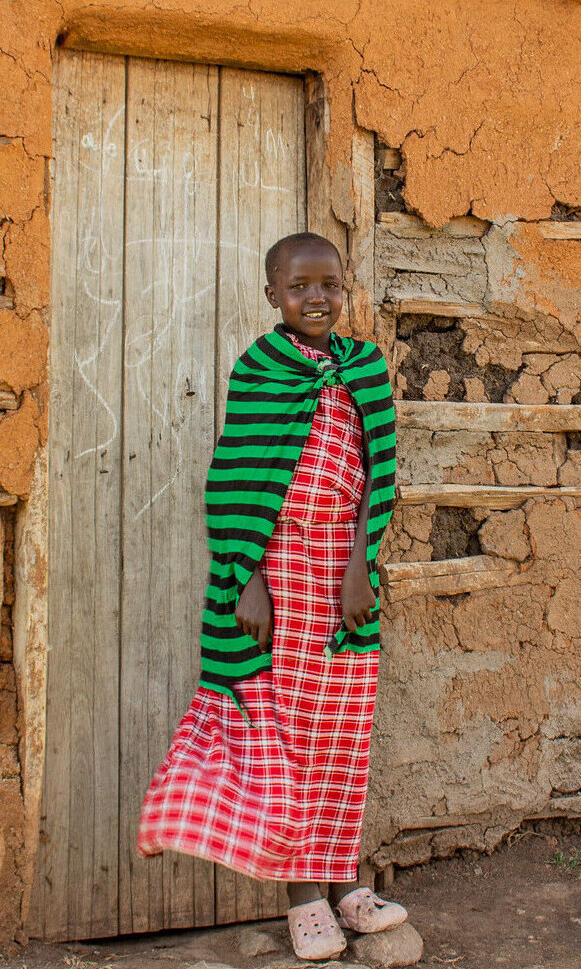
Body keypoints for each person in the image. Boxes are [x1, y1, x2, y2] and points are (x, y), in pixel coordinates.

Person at [137, 232, 405, 960]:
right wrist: (247, 577)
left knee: (341, 734)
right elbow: (233, 479)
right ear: (272, 295)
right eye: (298, 286)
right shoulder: (260, 369)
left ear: (344, 288)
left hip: (346, 578)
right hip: (281, 575)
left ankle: (345, 885)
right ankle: (303, 900)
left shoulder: (365, 367)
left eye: (329, 284)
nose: (316, 297)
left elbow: (380, 473)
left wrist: (361, 567)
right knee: (285, 736)